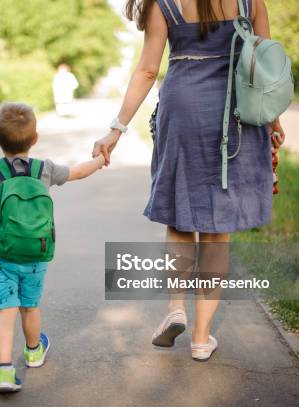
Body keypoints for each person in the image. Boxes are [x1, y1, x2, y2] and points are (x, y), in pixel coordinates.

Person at [92, 0, 285, 361]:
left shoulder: (164, 4)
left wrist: (116, 129)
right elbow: (266, 64)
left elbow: (148, 71)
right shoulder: (250, 1)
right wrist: (272, 120)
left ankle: (176, 307)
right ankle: (200, 339)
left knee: (181, 217)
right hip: (237, 113)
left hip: (183, 108)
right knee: (217, 228)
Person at [0, 102, 105, 392]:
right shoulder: (43, 169)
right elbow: (77, 172)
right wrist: (99, 161)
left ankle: (3, 372)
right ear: (34, 139)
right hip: (36, 254)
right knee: (30, 307)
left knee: (5, 311)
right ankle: (34, 351)